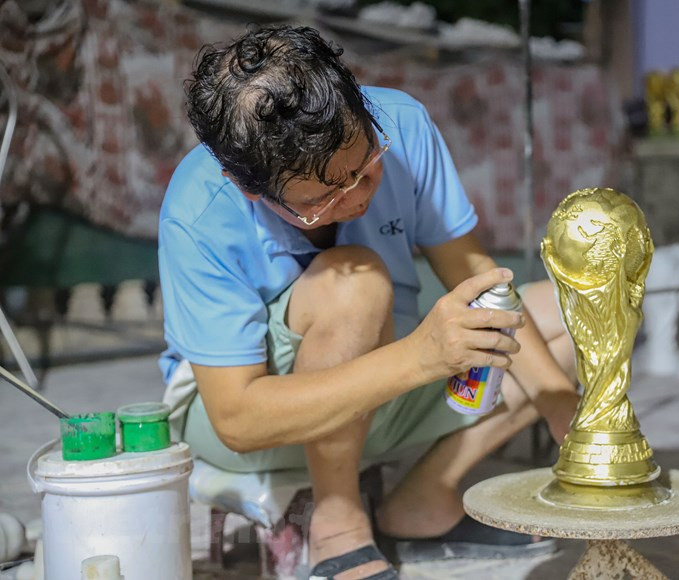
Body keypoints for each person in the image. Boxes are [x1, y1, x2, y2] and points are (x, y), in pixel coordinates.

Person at [159, 24, 579, 579]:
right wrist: (421, 358)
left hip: (378, 392)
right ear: (252, 190)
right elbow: (239, 419)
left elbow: (477, 276)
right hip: (253, 424)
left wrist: (560, 408)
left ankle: (423, 502)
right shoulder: (198, 210)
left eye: (365, 166)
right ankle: (337, 524)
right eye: (321, 199)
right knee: (353, 281)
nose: (357, 197)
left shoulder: (401, 122)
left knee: (573, 314)